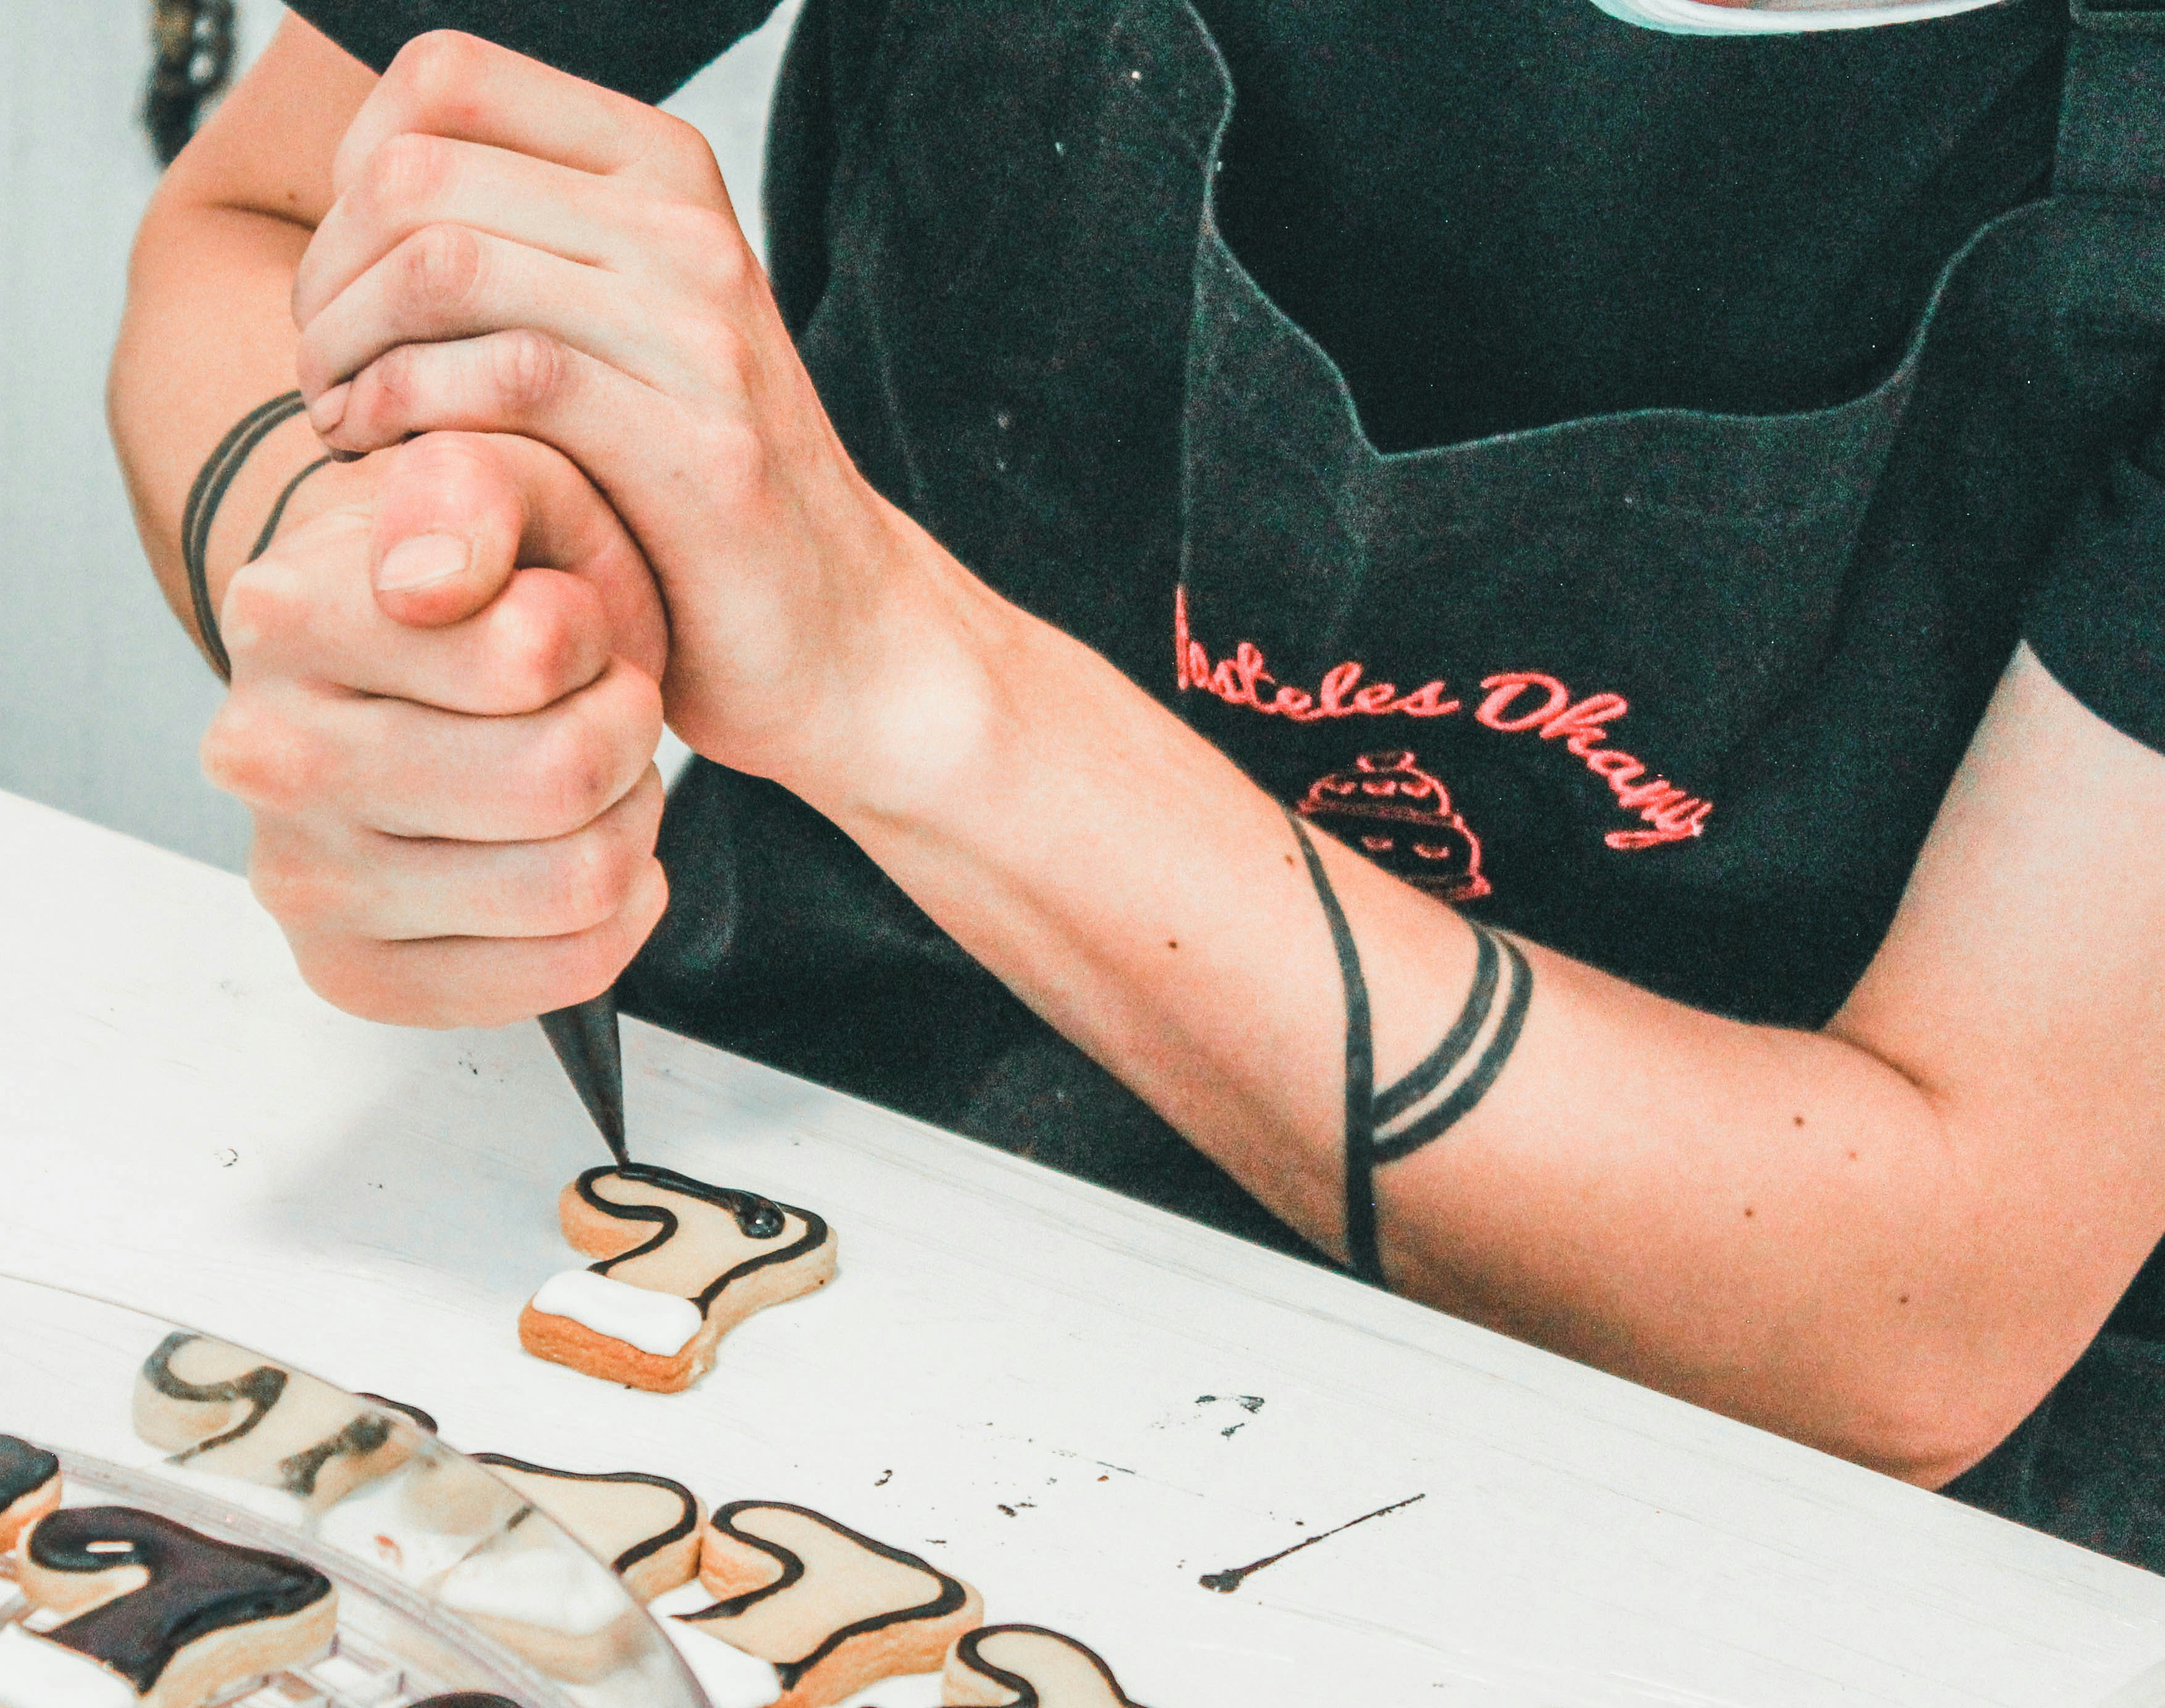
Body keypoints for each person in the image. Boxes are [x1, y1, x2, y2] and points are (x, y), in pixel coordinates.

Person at [107, 0, 2165, 1564]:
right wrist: (395, 603)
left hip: (1744, 1529)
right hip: (786, 1232)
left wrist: (903, 681)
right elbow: (260, 222)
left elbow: (1920, 1302)